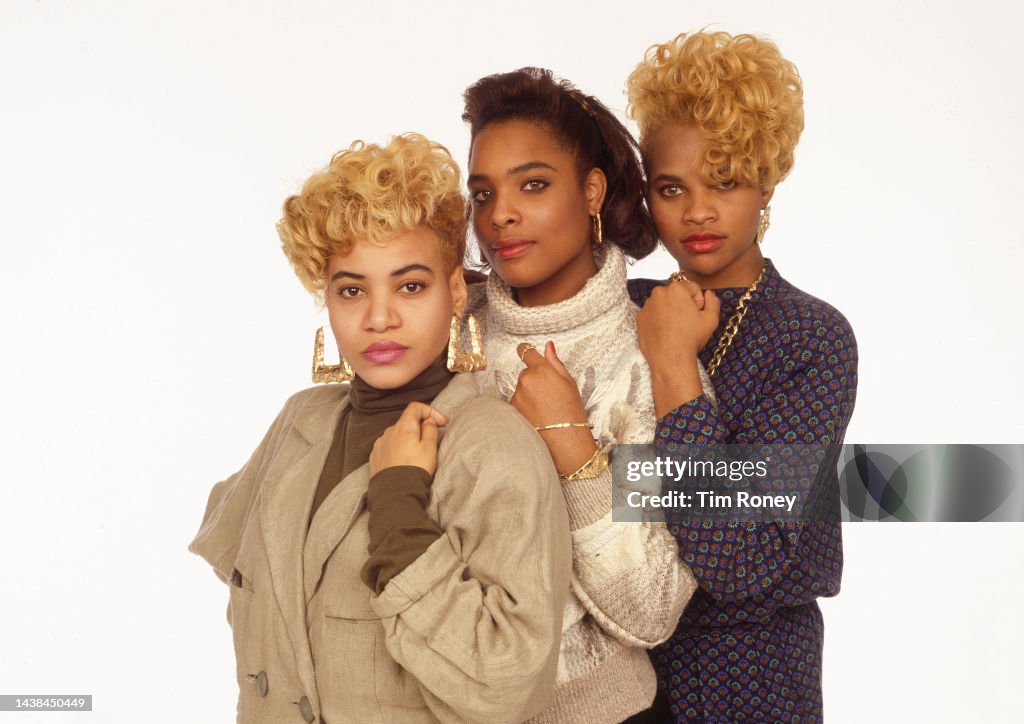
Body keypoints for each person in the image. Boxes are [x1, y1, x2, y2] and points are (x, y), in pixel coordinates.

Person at [188, 133, 572, 723]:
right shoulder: (302, 418)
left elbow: (508, 687)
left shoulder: (492, 446)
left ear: (454, 293)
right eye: (351, 290)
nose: (380, 317)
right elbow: (247, 572)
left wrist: (397, 502)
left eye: (410, 285)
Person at [461, 67, 708, 723]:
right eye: (482, 193)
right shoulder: (447, 326)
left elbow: (653, 606)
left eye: (533, 185)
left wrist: (571, 445)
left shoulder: (650, 359)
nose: (500, 214)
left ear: (592, 190)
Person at [625, 31, 859, 722]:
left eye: (723, 181)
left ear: (766, 180)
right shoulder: (627, 308)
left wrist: (672, 367)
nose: (697, 211)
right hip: (618, 668)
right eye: (671, 188)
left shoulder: (809, 338)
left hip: (748, 677)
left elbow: (737, 559)